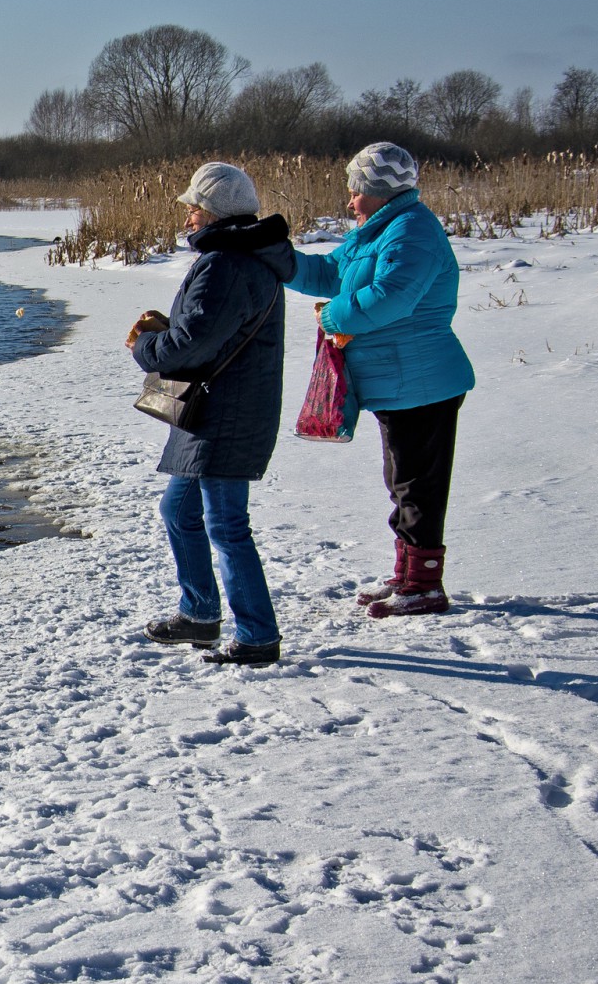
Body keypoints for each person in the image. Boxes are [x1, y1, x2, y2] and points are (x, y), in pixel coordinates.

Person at [285, 143, 474, 617]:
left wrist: (332, 316)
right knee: (401, 480)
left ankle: (425, 585)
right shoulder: (380, 230)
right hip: (399, 380)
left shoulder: (412, 231)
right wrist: (276, 259)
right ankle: (408, 575)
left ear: (378, 191)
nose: (350, 201)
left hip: (423, 380)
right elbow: (330, 271)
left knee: (418, 485)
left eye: (356, 191)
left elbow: (392, 297)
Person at [130, 162, 295, 665]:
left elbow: (191, 344)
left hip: (226, 412)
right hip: (220, 409)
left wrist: (146, 345)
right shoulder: (247, 257)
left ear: (215, 214)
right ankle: (200, 613)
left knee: (226, 524)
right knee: (178, 510)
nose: (187, 219)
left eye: (194, 209)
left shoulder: (226, 263)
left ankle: (258, 635)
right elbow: (210, 329)